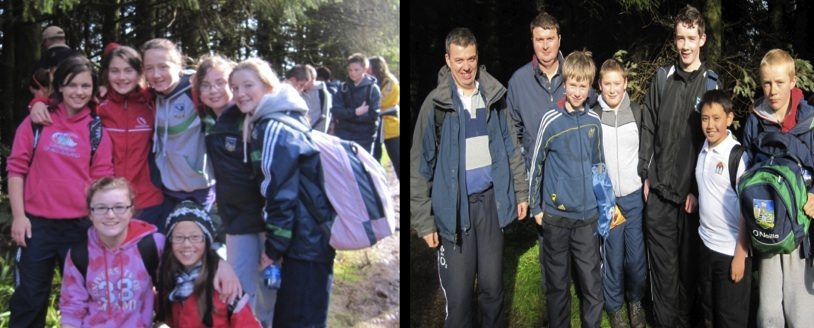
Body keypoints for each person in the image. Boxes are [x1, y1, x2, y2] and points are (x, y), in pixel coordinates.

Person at [410, 27, 528, 327]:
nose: (466, 67)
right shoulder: (435, 106)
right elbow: (419, 168)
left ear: (478, 58)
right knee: (460, 300)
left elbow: (511, 149)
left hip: (490, 205)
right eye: (459, 60)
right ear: (448, 60)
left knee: (492, 291)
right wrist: (424, 221)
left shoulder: (493, 97)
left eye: (471, 59)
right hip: (455, 210)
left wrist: (521, 192)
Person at [7, 55, 115, 327]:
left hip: (79, 229)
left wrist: (101, 229)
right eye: (71, 85)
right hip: (36, 227)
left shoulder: (97, 130)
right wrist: (19, 217)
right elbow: (16, 170)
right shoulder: (36, 122)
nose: (78, 92)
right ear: (60, 88)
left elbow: (102, 183)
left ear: (93, 89)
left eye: (85, 86)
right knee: (30, 299)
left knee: (83, 298)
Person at [232, 57, 337, 327]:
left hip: (304, 243)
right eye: (234, 88)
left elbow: (279, 194)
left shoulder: (272, 129)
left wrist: (273, 248)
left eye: (247, 85)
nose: (240, 94)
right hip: (313, 238)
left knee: (297, 320)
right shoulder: (285, 118)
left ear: (268, 86)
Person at [638, 5, 720, 327]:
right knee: (663, 273)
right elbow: (649, 124)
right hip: (658, 194)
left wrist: (698, 190)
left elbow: (712, 143)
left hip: (690, 200)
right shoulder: (662, 78)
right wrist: (646, 171)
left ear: (702, 39)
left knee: (687, 275)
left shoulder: (711, 84)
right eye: (679, 38)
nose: (685, 45)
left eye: (691, 38)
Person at [29, 45, 166, 227]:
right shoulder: (97, 103)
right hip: (107, 203)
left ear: (139, 73)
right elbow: (63, 103)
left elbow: (176, 88)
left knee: (147, 254)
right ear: (106, 74)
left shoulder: (152, 101)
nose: (122, 77)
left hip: (148, 201)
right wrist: (38, 102)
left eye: (128, 71)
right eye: (115, 71)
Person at [195, 54, 276, 326]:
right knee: (240, 288)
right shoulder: (208, 120)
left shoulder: (249, 117)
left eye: (220, 82)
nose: (214, 90)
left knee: (270, 287)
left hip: (265, 219)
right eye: (206, 85)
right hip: (236, 221)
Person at [528, 50, 603, 328]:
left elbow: (599, 167)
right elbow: (536, 163)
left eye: (583, 85)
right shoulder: (550, 120)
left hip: (587, 219)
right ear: (564, 82)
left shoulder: (594, 123)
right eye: (572, 84)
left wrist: (605, 207)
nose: (577, 91)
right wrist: (535, 206)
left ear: (590, 86)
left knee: (592, 286)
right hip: (557, 218)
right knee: (558, 287)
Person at [741, 48, 814, 328]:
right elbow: (746, 168)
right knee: (769, 304)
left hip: (801, 226)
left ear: (793, 81)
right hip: (766, 221)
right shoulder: (755, 121)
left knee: (800, 306)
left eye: (780, 82)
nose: (772, 90)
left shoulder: (809, 121)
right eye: (767, 83)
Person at [59, 177, 165, 327]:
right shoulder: (80, 255)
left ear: (131, 211)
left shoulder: (153, 245)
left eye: (119, 207)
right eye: (101, 208)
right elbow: (72, 308)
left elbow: (181, 281)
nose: (110, 215)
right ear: (90, 214)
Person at [591, 58, 647, 328]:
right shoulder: (594, 115)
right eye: (607, 84)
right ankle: (614, 308)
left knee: (635, 257)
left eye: (617, 83)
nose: (612, 90)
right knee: (612, 257)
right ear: (599, 85)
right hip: (608, 201)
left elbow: (646, 152)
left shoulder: (637, 112)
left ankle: (635, 301)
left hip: (634, 198)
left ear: (625, 83)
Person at [694, 90, 751, 328]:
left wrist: (741, 254)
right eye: (705, 118)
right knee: (708, 312)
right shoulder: (704, 149)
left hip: (730, 253)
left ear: (729, 118)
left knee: (730, 319)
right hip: (705, 245)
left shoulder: (739, 157)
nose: (710, 125)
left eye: (716, 118)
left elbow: (748, 211)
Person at [142, 38, 215, 222]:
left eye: (163, 66)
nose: (156, 74)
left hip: (199, 190)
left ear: (178, 65)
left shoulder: (197, 93)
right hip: (167, 191)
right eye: (149, 68)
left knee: (194, 246)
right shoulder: (153, 98)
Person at [156, 201, 261, 328]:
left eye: (195, 237)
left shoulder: (225, 287)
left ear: (206, 241)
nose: (187, 244)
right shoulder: (167, 279)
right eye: (179, 237)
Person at [331, 53, 382, 159]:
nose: (352, 73)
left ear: (365, 69)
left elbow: (374, 116)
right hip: (343, 135)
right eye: (350, 70)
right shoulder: (342, 88)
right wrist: (355, 112)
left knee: (364, 168)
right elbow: (336, 111)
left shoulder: (373, 90)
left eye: (356, 70)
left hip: (365, 137)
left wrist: (347, 114)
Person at [368, 56, 401, 179]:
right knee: (375, 157)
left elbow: (381, 101)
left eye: (369, 67)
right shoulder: (371, 81)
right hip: (375, 124)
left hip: (390, 125)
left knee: (397, 157)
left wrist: (370, 106)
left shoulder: (390, 81)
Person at [302, 64, 333, 133]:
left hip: (315, 134)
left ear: (313, 78)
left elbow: (324, 117)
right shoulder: (300, 91)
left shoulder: (322, 93)